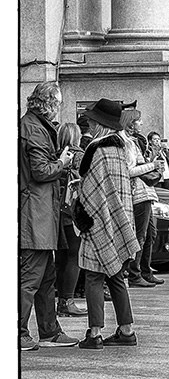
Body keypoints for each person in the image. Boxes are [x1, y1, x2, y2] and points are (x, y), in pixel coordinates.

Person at [75, 99, 142, 349]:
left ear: (101, 124)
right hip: (120, 218)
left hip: (98, 220)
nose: (90, 124)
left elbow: (90, 187)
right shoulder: (121, 149)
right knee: (115, 276)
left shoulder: (96, 149)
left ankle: (94, 334)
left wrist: (82, 214)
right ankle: (126, 330)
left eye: (93, 120)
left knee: (93, 275)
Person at [19, 81, 79, 350]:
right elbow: (41, 171)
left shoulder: (35, 126)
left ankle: (49, 331)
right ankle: (19, 333)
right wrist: (63, 163)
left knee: (45, 278)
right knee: (31, 278)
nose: (59, 108)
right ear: (50, 104)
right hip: (35, 213)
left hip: (41, 213)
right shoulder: (33, 129)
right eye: (58, 103)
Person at [120, 109, 163, 288]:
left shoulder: (134, 141)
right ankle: (135, 272)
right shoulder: (126, 142)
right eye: (138, 121)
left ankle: (144, 270)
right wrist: (152, 165)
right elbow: (130, 170)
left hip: (145, 193)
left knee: (149, 234)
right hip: (138, 193)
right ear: (130, 123)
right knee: (140, 235)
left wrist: (151, 161)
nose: (141, 124)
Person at [55, 122, 88, 317]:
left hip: (56, 210)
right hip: (73, 211)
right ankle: (67, 300)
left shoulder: (55, 155)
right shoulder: (81, 155)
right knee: (74, 255)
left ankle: (61, 300)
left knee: (60, 257)